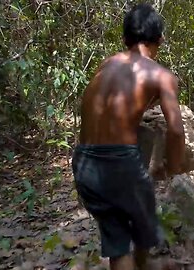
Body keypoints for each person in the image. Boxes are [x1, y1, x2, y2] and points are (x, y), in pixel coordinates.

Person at [72, 3, 185, 270]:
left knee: (119, 237)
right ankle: (144, 263)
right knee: (144, 224)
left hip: (84, 163)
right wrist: (176, 169)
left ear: (125, 39)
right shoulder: (161, 75)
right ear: (160, 39)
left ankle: (138, 262)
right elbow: (177, 130)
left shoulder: (107, 63)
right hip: (118, 165)